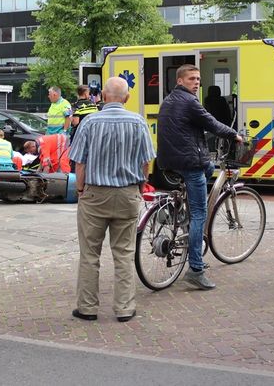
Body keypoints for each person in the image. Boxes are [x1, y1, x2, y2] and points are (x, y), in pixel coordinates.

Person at [69, 76, 154, 323]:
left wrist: (82, 190)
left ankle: (87, 308)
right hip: (127, 193)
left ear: (103, 97)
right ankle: (125, 309)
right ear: (127, 98)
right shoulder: (138, 123)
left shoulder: (89, 123)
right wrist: (139, 185)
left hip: (95, 194)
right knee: (124, 254)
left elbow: (80, 162)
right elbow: (146, 161)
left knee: (89, 254)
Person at [157, 64, 243, 290]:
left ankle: (175, 212)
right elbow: (211, 123)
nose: (196, 82)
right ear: (180, 81)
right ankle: (195, 269)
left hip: (169, 162)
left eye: (198, 79)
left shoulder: (169, 100)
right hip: (189, 163)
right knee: (199, 214)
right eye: (191, 79)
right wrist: (234, 134)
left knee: (206, 171)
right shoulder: (190, 101)